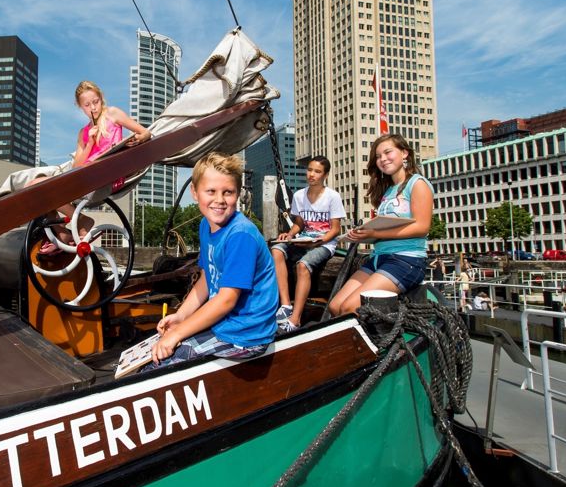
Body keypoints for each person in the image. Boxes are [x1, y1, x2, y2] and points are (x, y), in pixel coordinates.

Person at [147, 152, 278, 368]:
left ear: (238, 194)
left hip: (246, 334)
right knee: (155, 351)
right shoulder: (206, 226)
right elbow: (207, 278)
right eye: (211, 191)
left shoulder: (240, 235)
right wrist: (181, 316)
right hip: (225, 323)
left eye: (228, 192)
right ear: (195, 192)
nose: (219, 200)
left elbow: (227, 299)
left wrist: (179, 333)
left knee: (160, 365)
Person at [35, 80, 150, 253]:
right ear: (80, 107)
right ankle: (63, 232)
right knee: (36, 185)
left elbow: (145, 132)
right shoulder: (83, 132)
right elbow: (77, 166)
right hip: (85, 178)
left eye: (95, 102)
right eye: (87, 105)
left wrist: (137, 140)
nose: (93, 108)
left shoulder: (112, 114)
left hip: (108, 177)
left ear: (101, 98)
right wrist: (89, 142)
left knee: (44, 188)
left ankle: (81, 222)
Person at [327, 134, 434, 317]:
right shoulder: (388, 190)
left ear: (404, 153)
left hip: (406, 260)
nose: (382, 159)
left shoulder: (417, 184)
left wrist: (375, 233)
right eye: (378, 156)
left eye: (387, 152)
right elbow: (385, 228)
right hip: (379, 257)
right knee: (335, 306)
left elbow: (422, 227)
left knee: (350, 308)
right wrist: (364, 234)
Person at [271, 155, 346, 332]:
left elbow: (335, 229)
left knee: (303, 265)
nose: (312, 174)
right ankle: (286, 305)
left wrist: (318, 242)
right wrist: (289, 235)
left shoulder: (332, 197)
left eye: (317, 171)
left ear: (325, 175)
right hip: (304, 239)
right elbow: (299, 224)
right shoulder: (299, 195)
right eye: (310, 170)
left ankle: (295, 319)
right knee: (276, 249)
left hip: (324, 244)